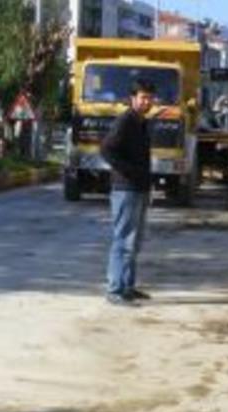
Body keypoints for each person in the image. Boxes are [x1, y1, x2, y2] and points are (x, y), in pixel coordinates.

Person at [100, 79, 155, 305]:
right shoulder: (125, 121)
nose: (147, 101)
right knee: (123, 240)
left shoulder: (141, 122)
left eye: (150, 98)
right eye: (143, 97)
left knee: (135, 241)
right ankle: (115, 290)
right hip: (126, 189)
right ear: (133, 99)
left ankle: (128, 286)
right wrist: (129, 172)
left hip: (140, 188)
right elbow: (106, 150)